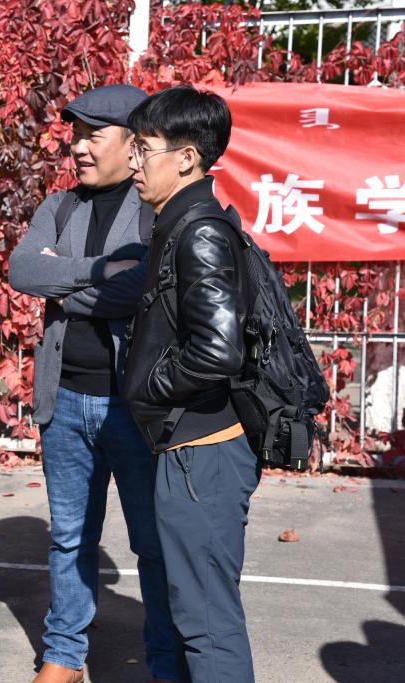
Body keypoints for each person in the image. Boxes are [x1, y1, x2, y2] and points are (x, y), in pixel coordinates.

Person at [9, 84, 179, 683]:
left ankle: (165, 660)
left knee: (152, 543)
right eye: (75, 135)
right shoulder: (59, 206)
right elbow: (24, 270)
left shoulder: (155, 207)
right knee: (69, 538)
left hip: (133, 407)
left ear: (133, 145)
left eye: (92, 135)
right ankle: (64, 654)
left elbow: (142, 287)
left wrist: (67, 282)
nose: (78, 147)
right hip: (64, 400)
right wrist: (101, 270)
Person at [123, 85, 259, 683]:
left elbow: (217, 350)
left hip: (202, 452)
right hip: (191, 448)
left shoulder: (198, 232)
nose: (133, 160)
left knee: (207, 623)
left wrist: (147, 387)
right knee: (195, 615)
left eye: (143, 147)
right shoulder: (180, 222)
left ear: (185, 158)